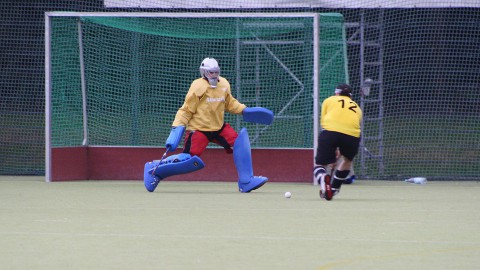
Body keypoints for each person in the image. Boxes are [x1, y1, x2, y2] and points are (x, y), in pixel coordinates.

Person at [143, 57, 274, 193]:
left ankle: (246, 181)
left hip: (219, 128)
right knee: (187, 160)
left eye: (216, 72)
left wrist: (244, 110)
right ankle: (154, 169)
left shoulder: (223, 84)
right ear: (204, 72)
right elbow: (186, 110)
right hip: (198, 130)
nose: (214, 75)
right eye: (211, 72)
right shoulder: (198, 86)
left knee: (240, 143)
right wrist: (177, 128)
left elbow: (229, 103)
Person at [313, 84, 362, 200]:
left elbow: (324, 123)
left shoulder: (328, 100)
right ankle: (334, 188)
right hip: (352, 136)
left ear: (337, 93)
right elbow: (351, 126)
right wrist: (339, 150)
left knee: (320, 165)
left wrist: (332, 148)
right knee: (347, 161)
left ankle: (324, 181)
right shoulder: (357, 107)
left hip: (330, 132)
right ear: (350, 96)